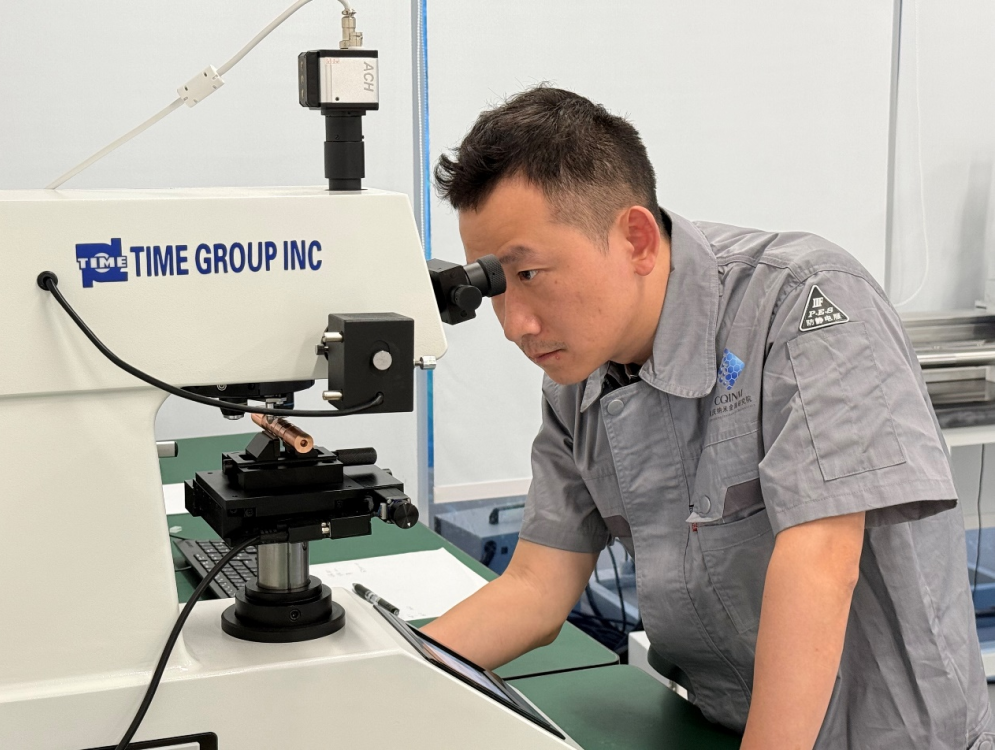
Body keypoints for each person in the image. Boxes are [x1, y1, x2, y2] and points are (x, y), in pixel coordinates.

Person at [419, 86, 995, 749]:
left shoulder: (804, 304)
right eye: (496, 287)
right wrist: (397, 665)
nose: (514, 324)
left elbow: (819, 563)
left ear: (636, 239)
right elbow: (534, 587)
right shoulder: (579, 380)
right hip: (729, 725)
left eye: (530, 274)